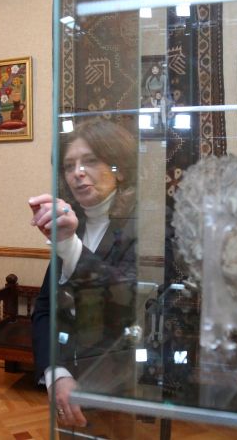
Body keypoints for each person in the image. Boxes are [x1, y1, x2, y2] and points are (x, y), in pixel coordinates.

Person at [28, 119, 138, 434]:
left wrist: (69, 244)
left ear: (120, 169)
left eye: (90, 161)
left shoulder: (145, 223)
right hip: (69, 383)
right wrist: (56, 373)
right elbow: (46, 309)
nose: (77, 172)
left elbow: (126, 302)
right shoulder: (75, 224)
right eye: (69, 165)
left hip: (120, 385)